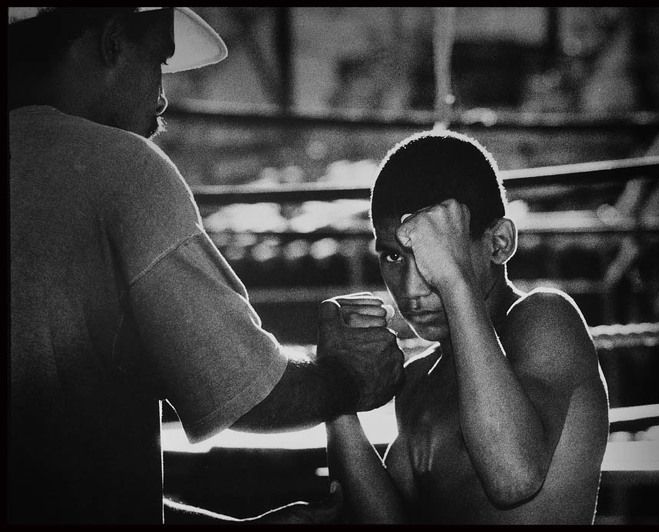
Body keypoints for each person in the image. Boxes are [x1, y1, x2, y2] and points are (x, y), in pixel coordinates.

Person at [8, 7, 403, 524]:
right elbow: (247, 392)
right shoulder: (122, 169)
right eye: (159, 61)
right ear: (112, 42)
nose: (162, 98)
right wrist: (350, 378)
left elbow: (47, 484)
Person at [325, 130, 610, 524]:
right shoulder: (418, 381)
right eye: (393, 257)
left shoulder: (545, 319)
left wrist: (454, 280)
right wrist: (335, 390)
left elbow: (513, 479)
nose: (411, 288)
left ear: (499, 243)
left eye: (433, 255)